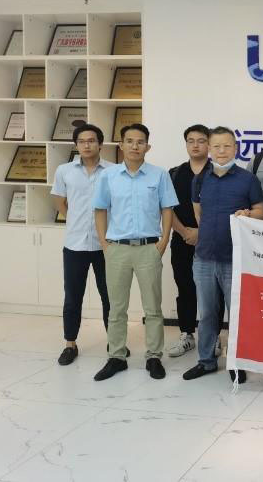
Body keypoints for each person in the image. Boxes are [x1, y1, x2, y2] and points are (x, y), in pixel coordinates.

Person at [92, 123, 179, 381]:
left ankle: (154, 357)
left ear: (147, 146)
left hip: (148, 248)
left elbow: (167, 209)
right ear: (121, 145)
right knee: (116, 308)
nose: (135, 146)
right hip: (117, 249)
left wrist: (163, 241)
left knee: (152, 307)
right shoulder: (108, 176)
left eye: (140, 142)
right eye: (129, 141)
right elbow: (100, 210)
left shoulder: (159, 175)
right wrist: (105, 244)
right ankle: (116, 357)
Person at [182, 126, 263, 383]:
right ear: (209, 148)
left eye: (227, 146)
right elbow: (199, 214)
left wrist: (249, 214)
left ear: (235, 148)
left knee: (236, 314)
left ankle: (236, 363)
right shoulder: (200, 179)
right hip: (204, 258)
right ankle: (206, 361)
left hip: (235, 259)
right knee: (207, 313)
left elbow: (260, 211)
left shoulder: (247, 179)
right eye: (216, 146)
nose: (221, 151)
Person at [51, 124, 114, 366]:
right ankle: (70, 344)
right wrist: (74, 220)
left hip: (106, 244)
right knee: (72, 296)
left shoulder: (113, 171)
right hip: (75, 244)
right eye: (82, 141)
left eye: (91, 140)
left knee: (110, 296)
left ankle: (115, 342)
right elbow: (59, 201)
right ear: (76, 145)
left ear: (100, 143)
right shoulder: (64, 171)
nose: (87, 145)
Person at [167, 124, 212, 358]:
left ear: (209, 144)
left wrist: (201, 233)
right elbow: (167, 208)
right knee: (185, 287)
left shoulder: (218, 172)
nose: (196, 145)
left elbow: (222, 209)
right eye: (191, 141)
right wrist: (185, 232)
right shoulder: (175, 173)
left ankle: (212, 336)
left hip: (212, 241)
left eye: (201, 140)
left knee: (213, 291)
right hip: (181, 239)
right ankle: (187, 334)